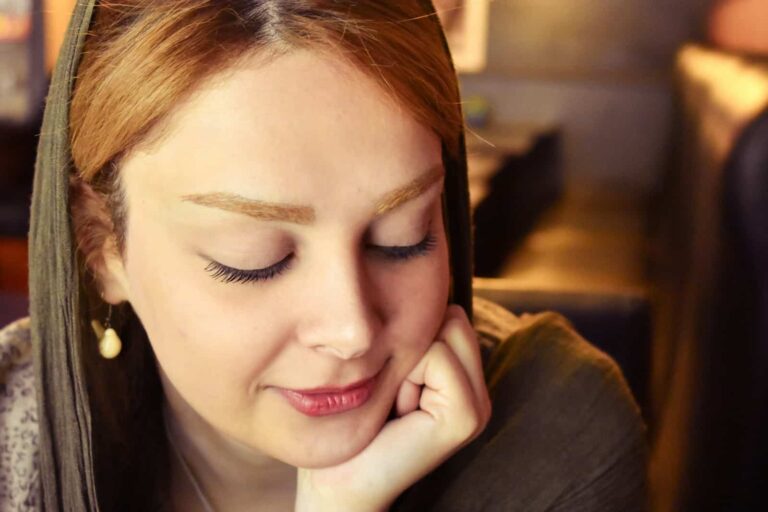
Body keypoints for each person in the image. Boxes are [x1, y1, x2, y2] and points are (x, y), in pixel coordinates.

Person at [0, 1, 647, 510]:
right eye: (252, 260)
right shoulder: (12, 445)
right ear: (101, 247)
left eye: (404, 236)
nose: (351, 329)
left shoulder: (556, 433)